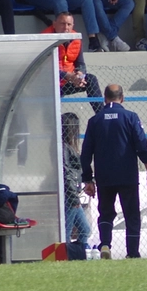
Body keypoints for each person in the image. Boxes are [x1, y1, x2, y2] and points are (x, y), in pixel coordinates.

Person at [79, 84, 147, 259]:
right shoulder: (130, 117)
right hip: (127, 174)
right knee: (132, 214)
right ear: (123, 98)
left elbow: (86, 153)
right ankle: (133, 252)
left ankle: (105, 244)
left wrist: (88, 179)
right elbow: (141, 145)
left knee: (105, 212)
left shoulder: (95, 121)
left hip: (104, 176)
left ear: (105, 98)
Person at [48, 12, 103, 112]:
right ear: (54, 24)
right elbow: (44, 68)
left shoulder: (76, 38)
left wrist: (79, 74)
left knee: (90, 79)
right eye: (62, 23)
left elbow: (80, 63)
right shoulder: (45, 38)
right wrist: (67, 75)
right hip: (48, 84)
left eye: (69, 24)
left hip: (68, 82)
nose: (66, 27)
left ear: (73, 25)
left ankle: (101, 116)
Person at [61, 112, 88, 261]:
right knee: (66, 232)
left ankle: (78, 256)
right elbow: (67, 174)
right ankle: (66, 257)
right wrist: (73, 197)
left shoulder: (67, 147)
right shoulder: (64, 148)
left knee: (85, 230)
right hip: (69, 196)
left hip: (72, 194)